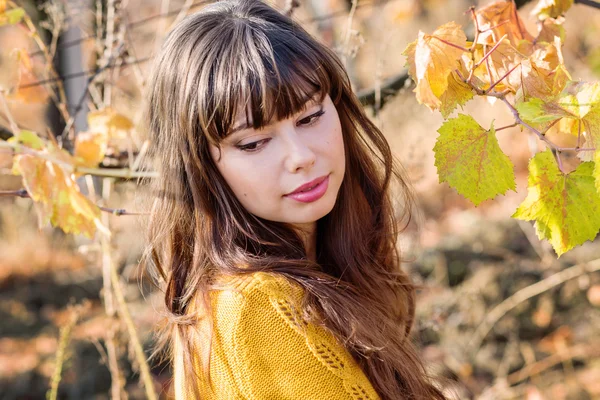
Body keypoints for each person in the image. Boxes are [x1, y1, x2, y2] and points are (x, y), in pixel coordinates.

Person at [140, 0, 448, 398]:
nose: (301, 156)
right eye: (253, 142)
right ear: (200, 169)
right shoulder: (257, 310)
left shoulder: (328, 259)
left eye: (309, 117)